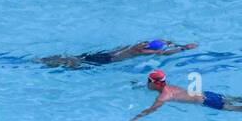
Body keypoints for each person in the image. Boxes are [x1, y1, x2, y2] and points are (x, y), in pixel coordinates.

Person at [130, 70, 242, 121]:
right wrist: (137, 86)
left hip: (207, 102)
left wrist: (136, 118)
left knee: (238, 109)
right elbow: (151, 87)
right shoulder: (168, 87)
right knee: (237, 98)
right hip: (206, 93)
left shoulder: (163, 96)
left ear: (155, 83)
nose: (147, 83)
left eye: (148, 81)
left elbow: (151, 110)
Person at [37, 39, 196, 68]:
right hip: (107, 60)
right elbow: (164, 54)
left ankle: (45, 60)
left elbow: (162, 41)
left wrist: (173, 43)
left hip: (102, 54)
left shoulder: (140, 43)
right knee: (75, 64)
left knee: (76, 58)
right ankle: (49, 63)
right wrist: (183, 48)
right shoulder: (142, 50)